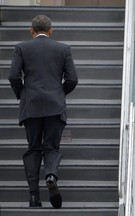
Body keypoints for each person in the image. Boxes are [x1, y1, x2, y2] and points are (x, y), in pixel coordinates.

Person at [9, 15, 78, 209]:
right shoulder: (63, 49)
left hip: (31, 106)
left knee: (33, 148)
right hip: (54, 107)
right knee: (51, 148)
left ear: (31, 30)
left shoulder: (21, 48)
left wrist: (22, 94)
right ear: (51, 30)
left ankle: (33, 197)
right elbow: (72, 79)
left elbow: (13, 76)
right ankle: (50, 176)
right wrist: (58, 93)